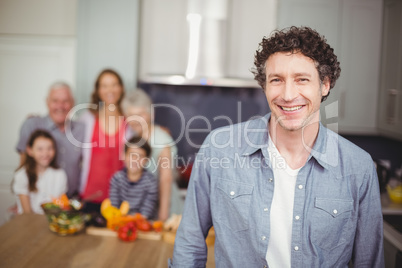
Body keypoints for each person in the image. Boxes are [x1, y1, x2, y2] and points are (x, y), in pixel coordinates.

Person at [170, 26, 384, 267]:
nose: (288, 94)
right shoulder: (219, 148)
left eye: (302, 79)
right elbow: (190, 241)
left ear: (325, 85)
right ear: (264, 86)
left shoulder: (358, 167)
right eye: (277, 80)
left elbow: (370, 261)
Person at [122, 89, 184, 221]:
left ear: (151, 114)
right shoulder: (133, 138)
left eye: (141, 114)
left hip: (166, 208)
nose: (136, 120)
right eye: (131, 115)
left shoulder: (161, 139)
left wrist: (163, 215)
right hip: (145, 209)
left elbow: (165, 179)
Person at [16, 82, 84, 197]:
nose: (60, 106)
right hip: (38, 199)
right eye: (55, 101)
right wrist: (22, 200)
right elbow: (23, 164)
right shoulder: (32, 125)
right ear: (47, 102)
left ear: (73, 103)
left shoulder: (82, 129)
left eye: (65, 101)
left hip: (73, 199)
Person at [79, 69, 127, 213]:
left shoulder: (130, 121)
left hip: (121, 198)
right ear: (98, 90)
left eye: (114, 85)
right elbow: (65, 134)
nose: (110, 90)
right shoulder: (87, 119)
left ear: (121, 88)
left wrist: (160, 129)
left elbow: (147, 136)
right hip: (90, 194)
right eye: (104, 85)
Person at [13, 130, 67, 214]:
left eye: (49, 148)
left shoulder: (60, 174)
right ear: (30, 151)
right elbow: (27, 213)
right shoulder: (22, 175)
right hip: (29, 222)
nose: (45, 153)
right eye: (40, 149)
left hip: (53, 221)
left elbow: (60, 204)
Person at [109, 136, 158, 219]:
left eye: (140, 156)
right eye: (132, 155)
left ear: (147, 160)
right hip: (120, 222)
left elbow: (146, 213)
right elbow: (114, 209)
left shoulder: (151, 182)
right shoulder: (116, 179)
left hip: (142, 225)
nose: (135, 160)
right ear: (124, 156)